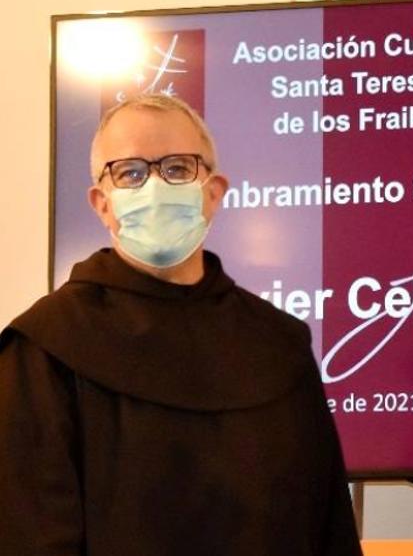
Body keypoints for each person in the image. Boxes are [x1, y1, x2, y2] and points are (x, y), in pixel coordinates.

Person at [0, 94, 362, 555]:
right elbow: (28, 535)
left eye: (177, 168)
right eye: (129, 173)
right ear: (102, 203)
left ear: (214, 193)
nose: (154, 186)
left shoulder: (279, 344)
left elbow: (326, 524)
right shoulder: (43, 348)